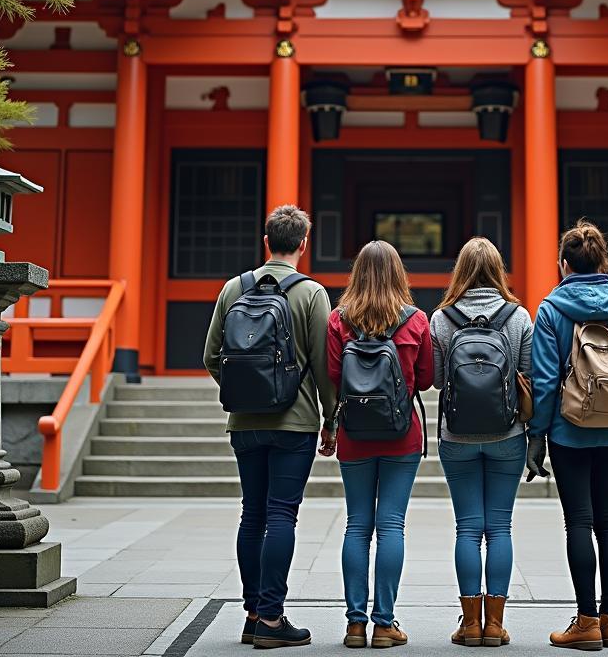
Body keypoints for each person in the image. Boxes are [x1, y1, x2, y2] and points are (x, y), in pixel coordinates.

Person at [203, 205, 337, 649]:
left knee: (252, 513)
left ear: (267, 242)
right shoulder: (312, 293)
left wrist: (243, 389)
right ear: (303, 243)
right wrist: (330, 419)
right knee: (282, 513)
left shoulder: (233, 288)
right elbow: (321, 363)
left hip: (243, 421)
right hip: (294, 421)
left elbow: (210, 356)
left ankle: (253, 613)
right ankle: (273, 620)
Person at [527, 221, 608, 652]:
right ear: (602, 262)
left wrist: (536, 437)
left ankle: (586, 623)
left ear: (563, 264)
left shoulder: (551, 309)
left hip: (568, 430)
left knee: (578, 522)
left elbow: (543, 381)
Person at [326, 240, 433, 649]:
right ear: (398, 274)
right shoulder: (416, 320)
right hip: (401, 435)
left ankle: (355, 624)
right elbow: (424, 379)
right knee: (390, 525)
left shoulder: (339, 320)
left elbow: (334, 376)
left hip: (354, 435)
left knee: (356, 525)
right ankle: (384, 624)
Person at [431, 237, 533, 647]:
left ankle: (470, 623)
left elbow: (438, 380)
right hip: (507, 433)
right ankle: (495, 624)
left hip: (456, 435)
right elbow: (526, 377)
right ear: (498, 270)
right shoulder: (519, 316)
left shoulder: (441, 318)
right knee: (501, 528)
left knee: (468, 528)